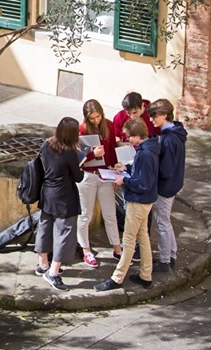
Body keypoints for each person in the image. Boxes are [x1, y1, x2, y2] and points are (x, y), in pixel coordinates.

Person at [95, 118, 159, 292]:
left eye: (129, 137)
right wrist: (127, 169)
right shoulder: (149, 149)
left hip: (138, 201)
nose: (127, 139)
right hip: (146, 201)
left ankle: (117, 278)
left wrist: (125, 179)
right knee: (143, 237)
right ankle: (146, 275)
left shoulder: (144, 154)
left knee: (129, 240)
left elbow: (142, 183)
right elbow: (143, 175)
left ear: (138, 136)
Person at [34, 117, 86, 291]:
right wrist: (83, 162)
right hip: (64, 197)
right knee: (65, 232)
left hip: (47, 193)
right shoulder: (70, 152)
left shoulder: (46, 144)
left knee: (45, 226)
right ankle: (53, 272)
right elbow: (78, 177)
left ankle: (43, 264)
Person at [77, 99, 123, 267]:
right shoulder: (81, 130)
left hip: (105, 175)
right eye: (92, 118)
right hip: (88, 176)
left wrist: (115, 170)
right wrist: (92, 154)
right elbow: (78, 158)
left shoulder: (109, 126)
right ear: (86, 118)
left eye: (98, 117)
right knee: (85, 215)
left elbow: (111, 151)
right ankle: (86, 250)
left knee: (110, 214)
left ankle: (117, 248)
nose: (96, 121)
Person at [149, 98, 187, 273]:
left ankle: (165, 261)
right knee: (166, 221)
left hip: (164, 187)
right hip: (173, 185)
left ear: (164, 115)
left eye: (154, 116)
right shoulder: (175, 133)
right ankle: (171, 255)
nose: (151, 120)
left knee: (162, 222)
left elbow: (166, 170)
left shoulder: (169, 140)